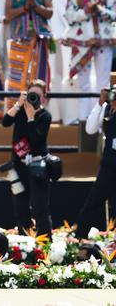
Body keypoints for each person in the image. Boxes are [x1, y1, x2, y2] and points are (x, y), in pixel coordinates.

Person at [63, 0, 116, 121]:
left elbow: (114, 14)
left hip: (103, 42)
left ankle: (100, 121)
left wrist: (100, 10)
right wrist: (86, 10)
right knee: (83, 83)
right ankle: (84, 119)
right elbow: (69, 15)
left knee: (102, 83)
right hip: (82, 43)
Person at [1, 79, 53, 238]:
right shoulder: (20, 112)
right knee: (20, 206)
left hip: (38, 167)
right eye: (31, 95)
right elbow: (5, 122)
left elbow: (37, 139)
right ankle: (24, 241)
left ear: (44, 97)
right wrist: (18, 105)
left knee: (40, 208)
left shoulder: (45, 116)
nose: (34, 99)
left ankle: (45, 242)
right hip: (18, 166)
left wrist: (31, 117)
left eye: (37, 95)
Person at [4, 0, 53, 110]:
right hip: (20, 40)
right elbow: (8, 14)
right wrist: (25, 7)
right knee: (17, 77)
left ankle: (37, 111)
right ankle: (15, 111)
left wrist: (35, 6)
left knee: (38, 76)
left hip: (39, 39)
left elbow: (50, 12)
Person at [75, 86, 116, 239]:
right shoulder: (106, 109)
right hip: (108, 165)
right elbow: (90, 129)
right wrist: (100, 103)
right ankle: (80, 237)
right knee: (93, 202)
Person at [48, 0, 84, 125]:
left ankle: (80, 116)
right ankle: (60, 116)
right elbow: (56, 20)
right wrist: (67, 38)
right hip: (63, 45)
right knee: (61, 79)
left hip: (84, 45)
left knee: (80, 80)